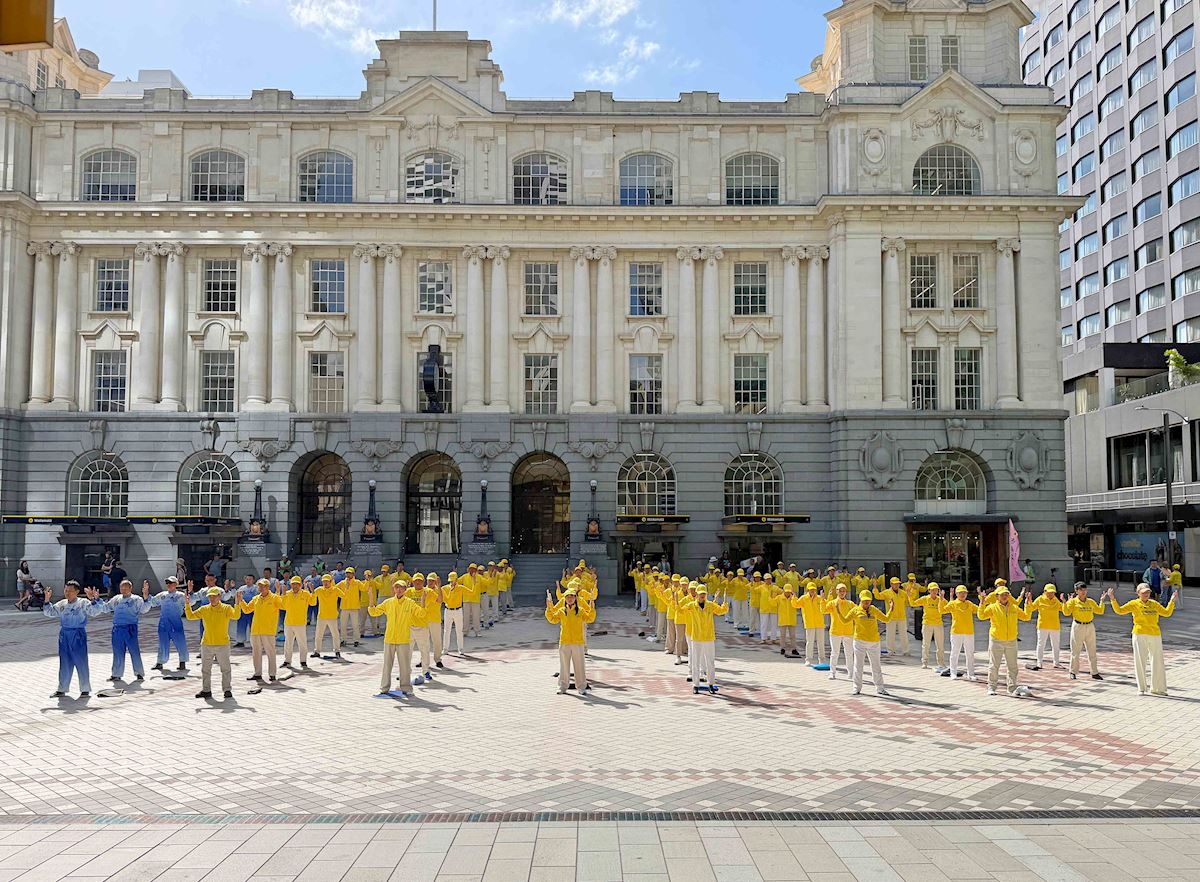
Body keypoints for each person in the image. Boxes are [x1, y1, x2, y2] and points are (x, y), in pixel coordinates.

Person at [1111, 583, 1176, 696]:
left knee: (1157, 661)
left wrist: (1172, 601)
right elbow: (1119, 611)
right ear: (1138, 593)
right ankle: (1141, 688)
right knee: (1140, 661)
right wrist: (1112, 599)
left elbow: (1166, 613)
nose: (1146, 594)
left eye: (1148, 592)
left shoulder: (1154, 604)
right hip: (1139, 634)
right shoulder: (1134, 604)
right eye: (1144, 592)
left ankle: (1158, 688)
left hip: (1154, 634)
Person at [43, 581, 106, 697]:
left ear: (77, 591)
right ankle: (62, 688)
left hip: (78, 634)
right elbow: (49, 612)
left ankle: (85, 688)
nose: (67, 593)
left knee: (80, 661)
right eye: (65, 590)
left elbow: (95, 611)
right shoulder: (62, 604)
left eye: (70, 591)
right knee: (65, 662)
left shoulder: (83, 603)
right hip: (64, 635)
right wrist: (47, 600)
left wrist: (93, 600)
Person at [368, 581, 428, 697]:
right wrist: (371, 596)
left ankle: (406, 688)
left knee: (404, 665)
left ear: (405, 590)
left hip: (403, 639)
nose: (399, 590)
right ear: (393, 589)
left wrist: (423, 600)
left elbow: (422, 614)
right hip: (389, 639)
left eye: (401, 588)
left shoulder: (409, 603)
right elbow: (374, 612)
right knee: (387, 665)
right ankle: (384, 688)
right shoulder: (388, 603)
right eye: (396, 587)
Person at [184, 584, 240, 699]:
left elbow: (236, 616)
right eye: (210, 597)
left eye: (214, 596)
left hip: (222, 644)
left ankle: (227, 689)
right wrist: (187, 604)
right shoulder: (204, 609)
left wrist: (237, 604)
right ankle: (206, 690)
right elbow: (190, 616)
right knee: (205, 669)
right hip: (207, 644)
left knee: (225, 668)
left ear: (219, 596)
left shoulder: (226, 608)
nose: (212, 598)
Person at [831, 591, 890, 696]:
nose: (867, 603)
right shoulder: (855, 610)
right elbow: (845, 621)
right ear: (860, 600)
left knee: (876, 666)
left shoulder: (874, 610)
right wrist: (838, 611)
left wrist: (891, 609)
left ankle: (880, 688)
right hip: (859, 642)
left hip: (874, 642)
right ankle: (856, 688)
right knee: (858, 666)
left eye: (868, 601)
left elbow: (886, 619)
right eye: (864, 601)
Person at [978, 586, 1033, 696]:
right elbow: (981, 616)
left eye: (1006, 594)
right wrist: (982, 603)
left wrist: (1028, 604)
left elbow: (1026, 617)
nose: (1004, 597)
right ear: (997, 597)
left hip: (1011, 641)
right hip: (996, 640)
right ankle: (991, 687)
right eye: (1002, 595)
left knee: (1012, 666)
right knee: (994, 665)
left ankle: (1012, 687)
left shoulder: (1014, 607)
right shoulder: (992, 607)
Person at [546, 584, 595, 695]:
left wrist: (592, 604)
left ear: (575, 598)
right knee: (564, 666)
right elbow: (552, 619)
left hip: (578, 642)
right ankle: (562, 686)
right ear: (565, 599)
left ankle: (581, 687)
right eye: (568, 597)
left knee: (579, 665)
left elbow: (590, 618)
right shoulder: (562, 611)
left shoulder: (581, 610)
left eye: (572, 597)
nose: (570, 599)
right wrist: (549, 606)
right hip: (565, 642)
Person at [104, 579, 151, 683]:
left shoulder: (136, 599)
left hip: (130, 628)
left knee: (134, 651)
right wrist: (95, 600)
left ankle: (139, 673)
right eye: (122, 587)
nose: (124, 589)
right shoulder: (116, 599)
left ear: (131, 588)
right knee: (117, 652)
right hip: (117, 629)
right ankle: (116, 674)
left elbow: (144, 609)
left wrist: (146, 597)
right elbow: (105, 608)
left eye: (126, 587)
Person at [684, 585, 728, 695]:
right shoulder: (692, 606)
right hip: (697, 637)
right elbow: (680, 610)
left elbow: (722, 611)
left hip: (709, 637)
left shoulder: (710, 605)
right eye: (700, 594)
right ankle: (695, 684)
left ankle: (711, 683)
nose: (702, 596)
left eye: (704, 594)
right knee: (695, 661)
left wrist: (725, 600)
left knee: (710, 661)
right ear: (697, 595)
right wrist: (675, 600)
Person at [240, 578, 284, 682]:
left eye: (263, 586)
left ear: (268, 587)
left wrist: (279, 592)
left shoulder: (274, 598)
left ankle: (272, 674)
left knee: (271, 653)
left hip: (268, 631)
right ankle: (257, 673)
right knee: (256, 653)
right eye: (259, 586)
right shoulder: (256, 598)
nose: (260, 588)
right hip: (255, 630)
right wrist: (241, 600)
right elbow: (246, 610)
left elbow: (283, 606)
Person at [1063, 581, 1104, 681]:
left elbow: (1100, 611)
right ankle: (1073, 671)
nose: (1083, 592)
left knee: (1092, 650)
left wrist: (1102, 601)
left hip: (1089, 625)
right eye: (1081, 590)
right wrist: (1065, 602)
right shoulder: (1073, 601)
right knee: (1075, 650)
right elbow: (1066, 613)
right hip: (1078, 626)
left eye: (1085, 590)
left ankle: (1094, 672)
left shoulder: (1090, 601)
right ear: (1076, 591)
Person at [148, 576, 189, 672]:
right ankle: (160, 662)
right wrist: (146, 595)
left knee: (180, 642)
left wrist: (190, 594)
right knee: (163, 643)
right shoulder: (163, 595)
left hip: (176, 622)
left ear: (175, 584)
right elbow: (153, 602)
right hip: (163, 622)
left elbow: (189, 603)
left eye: (170, 583)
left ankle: (182, 662)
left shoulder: (180, 595)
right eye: (167, 583)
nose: (168, 585)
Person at [942, 586, 978, 680]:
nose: (962, 595)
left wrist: (982, 600)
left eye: (964, 593)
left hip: (969, 632)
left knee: (970, 653)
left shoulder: (969, 604)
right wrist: (941, 600)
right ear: (956, 594)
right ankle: (953, 673)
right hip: (956, 632)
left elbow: (979, 611)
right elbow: (942, 610)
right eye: (960, 593)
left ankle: (971, 673)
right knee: (955, 653)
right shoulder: (953, 604)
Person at [280, 575, 316, 669]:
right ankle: (287, 661)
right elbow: (283, 606)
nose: (295, 586)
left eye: (297, 584)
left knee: (302, 643)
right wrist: (283, 594)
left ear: (300, 585)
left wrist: (312, 592)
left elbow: (313, 603)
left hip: (300, 623)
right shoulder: (287, 594)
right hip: (289, 622)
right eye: (293, 584)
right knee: (288, 643)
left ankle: (303, 661)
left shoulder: (305, 594)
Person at [1025, 584, 1065, 670]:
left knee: (1056, 645)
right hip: (1043, 625)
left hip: (1055, 626)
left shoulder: (1056, 600)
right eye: (1049, 592)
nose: (1051, 594)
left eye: (1053, 592)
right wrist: (1029, 601)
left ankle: (1056, 663)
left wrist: (1065, 601)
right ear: (1045, 591)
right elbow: (1031, 608)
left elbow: (1064, 609)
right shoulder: (1040, 599)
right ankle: (1039, 663)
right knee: (1041, 644)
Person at [909, 582, 947, 669]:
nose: (934, 591)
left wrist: (942, 599)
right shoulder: (925, 599)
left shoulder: (940, 599)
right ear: (929, 590)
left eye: (936, 590)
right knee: (926, 644)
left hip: (938, 624)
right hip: (927, 624)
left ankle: (941, 663)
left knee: (940, 645)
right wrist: (909, 596)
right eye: (932, 590)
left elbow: (948, 608)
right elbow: (913, 604)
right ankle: (925, 662)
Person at [825, 583, 855, 680]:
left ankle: (850, 672)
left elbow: (857, 612)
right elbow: (824, 610)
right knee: (835, 653)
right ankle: (832, 672)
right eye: (840, 591)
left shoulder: (850, 603)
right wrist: (824, 599)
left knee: (849, 653)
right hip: (835, 631)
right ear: (836, 591)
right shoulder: (833, 603)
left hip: (848, 631)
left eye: (843, 591)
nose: (842, 593)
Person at [312, 573, 345, 659]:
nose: (325, 583)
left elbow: (343, 595)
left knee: (335, 635)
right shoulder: (319, 590)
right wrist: (310, 590)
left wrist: (335, 586)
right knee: (318, 635)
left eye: (327, 581)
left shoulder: (335, 590)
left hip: (332, 616)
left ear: (331, 581)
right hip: (321, 616)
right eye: (324, 582)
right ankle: (317, 651)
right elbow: (312, 597)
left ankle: (337, 651)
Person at [797, 582, 826, 665]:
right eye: (811, 589)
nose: (812, 591)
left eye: (814, 589)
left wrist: (825, 598)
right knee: (810, 642)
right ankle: (808, 659)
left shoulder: (820, 598)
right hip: (809, 623)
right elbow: (795, 605)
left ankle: (822, 659)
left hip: (819, 623)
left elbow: (825, 607)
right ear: (807, 590)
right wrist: (793, 597)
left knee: (821, 642)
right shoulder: (803, 598)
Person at [442, 571, 466, 655]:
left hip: (458, 610)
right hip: (448, 610)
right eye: (450, 581)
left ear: (456, 580)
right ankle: (445, 649)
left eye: (453, 580)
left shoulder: (461, 588)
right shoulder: (444, 588)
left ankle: (461, 648)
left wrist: (474, 582)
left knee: (459, 630)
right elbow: (447, 600)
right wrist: (451, 591)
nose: (451, 582)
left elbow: (472, 592)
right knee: (446, 630)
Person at [340, 567, 364, 647]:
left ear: (353, 574)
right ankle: (343, 640)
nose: (348, 574)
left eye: (349, 573)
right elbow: (334, 588)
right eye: (347, 573)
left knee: (355, 625)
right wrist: (331, 580)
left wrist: (367, 580)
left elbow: (364, 588)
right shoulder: (342, 583)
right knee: (343, 625)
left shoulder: (357, 582)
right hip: (344, 607)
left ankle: (356, 640)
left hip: (354, 607)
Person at [776, 582, 800, 658]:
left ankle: (794, 649)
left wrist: (795, 597)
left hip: (791, 619)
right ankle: (782, 648)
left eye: (789, 591)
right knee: (782, 635)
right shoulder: (779, 598)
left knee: (793, 635)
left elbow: (797, 605)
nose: (787, 593)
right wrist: (770, 596)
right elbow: (772, 603)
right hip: (783, 619)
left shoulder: (793, 598)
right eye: (786, 591)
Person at [233, 574, 257, 647]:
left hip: (253, 610)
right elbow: (236, 597)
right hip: (242, 610)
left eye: (250, 579)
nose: (248, 581)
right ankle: (240, 641)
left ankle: (255, 642)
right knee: (241, 626)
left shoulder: (256, 588)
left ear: (253, 580)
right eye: (247, 579)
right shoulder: (241, 588)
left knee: (253, 627)